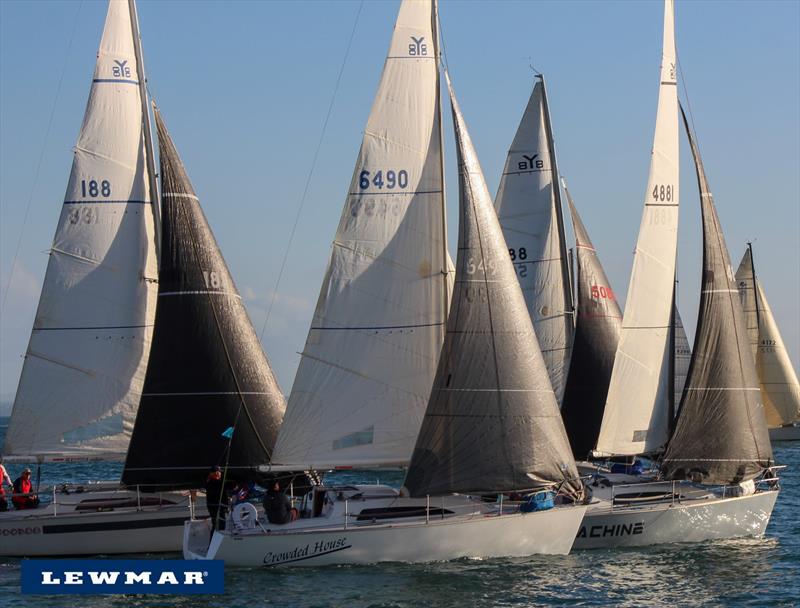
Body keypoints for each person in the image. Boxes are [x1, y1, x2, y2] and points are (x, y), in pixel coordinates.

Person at [204, 466, 229, 534]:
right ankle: (214, 542)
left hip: (214, 506)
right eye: (219, 472)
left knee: (216, 524)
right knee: (219, 525)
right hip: (217, 507)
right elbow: (224, 489)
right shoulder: (216, 483)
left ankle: (213, 542)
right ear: (216, 473)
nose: (220, 473)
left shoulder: (209, 482)